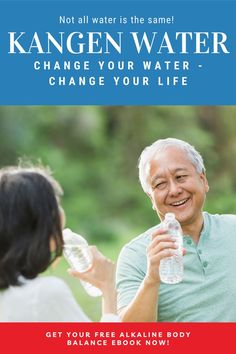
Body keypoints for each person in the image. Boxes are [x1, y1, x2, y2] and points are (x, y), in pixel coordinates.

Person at [116, 137, 236, 322]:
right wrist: (152, 279)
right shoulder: (135, 255)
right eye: (160, 184)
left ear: (203, 180)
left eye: (180, 177)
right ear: (151, 199)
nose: (174, 190)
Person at [0, 165, 118, 322]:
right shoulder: (43, 295)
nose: (62, 213)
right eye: (55, 205)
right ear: (38, 221)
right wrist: (108, 288)